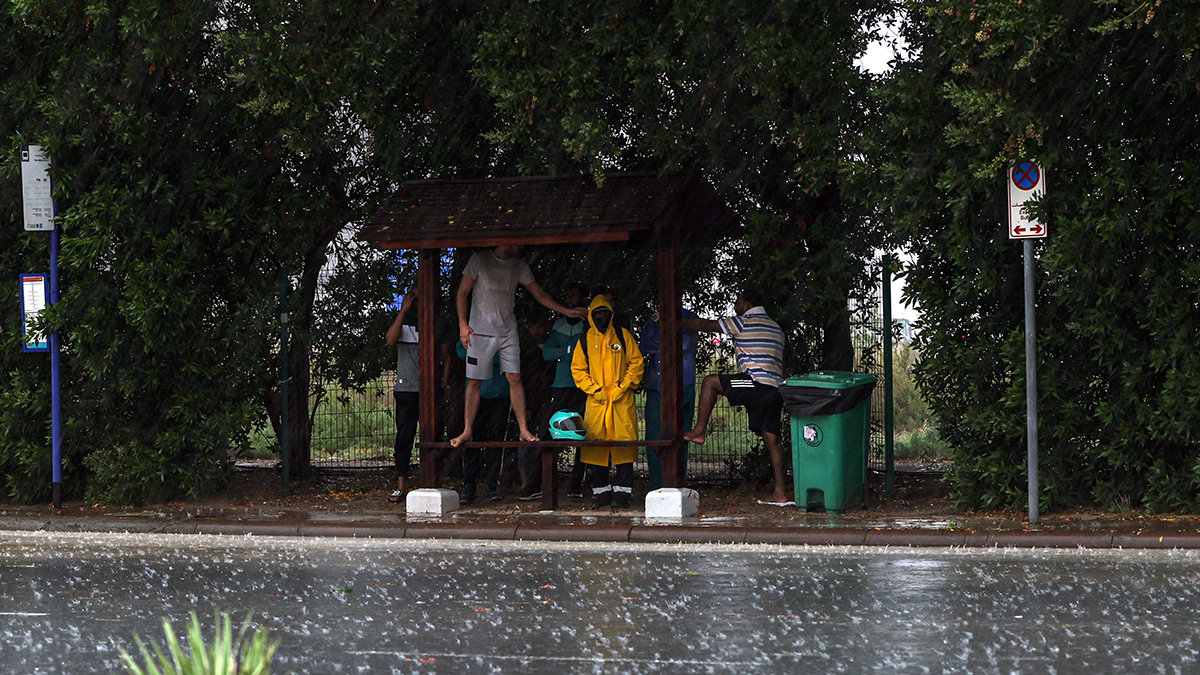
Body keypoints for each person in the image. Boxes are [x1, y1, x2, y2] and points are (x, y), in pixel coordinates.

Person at [451, 245, 585, 448]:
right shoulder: (479, 259)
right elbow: (462, 292)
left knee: (515, 377)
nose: (522, 246)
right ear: (505, 240)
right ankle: (467, 431)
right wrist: (463, 323)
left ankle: (523, 429)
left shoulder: (518, 265)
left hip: (507, 331)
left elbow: (539, 295)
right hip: (479, 330)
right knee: (475, 380)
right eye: (518, 242)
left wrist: (565, 311)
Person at [682, 290, 790, 504]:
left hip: (753, 384)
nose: (734, 305)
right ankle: (781, 493)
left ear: (748, 304)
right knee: (773, 439)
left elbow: (705, 325)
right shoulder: (776, 328)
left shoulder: (743, 322)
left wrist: (679, 321)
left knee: (710, 382)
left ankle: (699, 430)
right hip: (775, 390)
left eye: (738, 302)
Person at [571, 295, 644, 509]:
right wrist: (595, 390)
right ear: (592, 316)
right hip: (597, 402)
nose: (602, 317)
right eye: (598, 314)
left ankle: (622, 494)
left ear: (611, 315)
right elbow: (578, 370)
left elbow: (636, 363)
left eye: (605, 313)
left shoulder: (623, 336)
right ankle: (600, 492)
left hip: (622, 401)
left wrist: (624, 387)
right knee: (595, 448)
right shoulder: (584, 340)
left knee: (624, 445)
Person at [522, 282, 590, 501]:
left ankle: (577, 485)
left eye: (574, 295)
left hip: (584, 386)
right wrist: (570, 350)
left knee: (584, 434)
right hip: (560, 386)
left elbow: (589, 353)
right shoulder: (559, 324)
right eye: (567, 295)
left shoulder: (590, 325)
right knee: (546, 433)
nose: (570, 299)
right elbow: (547, 354)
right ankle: (535, 484)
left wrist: (564, 353)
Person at [384, 288, 452, 502]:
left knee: (433, 432)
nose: (418, 304)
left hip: (431, 388)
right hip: (406, 388)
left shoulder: (438, 323)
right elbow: (390, 340)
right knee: (404, 435)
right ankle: (401, 485)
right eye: (414, 300)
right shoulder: (403, 321)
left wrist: (443, 383)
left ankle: (432, 480)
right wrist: (403, 311)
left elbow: (447, 356)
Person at [639, 306, 699, 491]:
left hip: (683, 384)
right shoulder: (655, 316)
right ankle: (657, 485)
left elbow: (683, 346)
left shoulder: (690, 318)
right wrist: (665, 345)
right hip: (656, 385)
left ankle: (676, 482)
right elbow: (643, 345)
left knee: (681, 434)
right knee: (654, 437)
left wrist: (659, 343)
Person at [455, 341, 510, 504]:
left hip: (501, 395)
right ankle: (469, 487)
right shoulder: (471, 331)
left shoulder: (502, 331)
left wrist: (482, 355)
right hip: (476, 397)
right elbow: (463, 354)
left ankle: (493, 486)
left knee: (497, 442)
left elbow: (507, 358)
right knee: (471, 441)